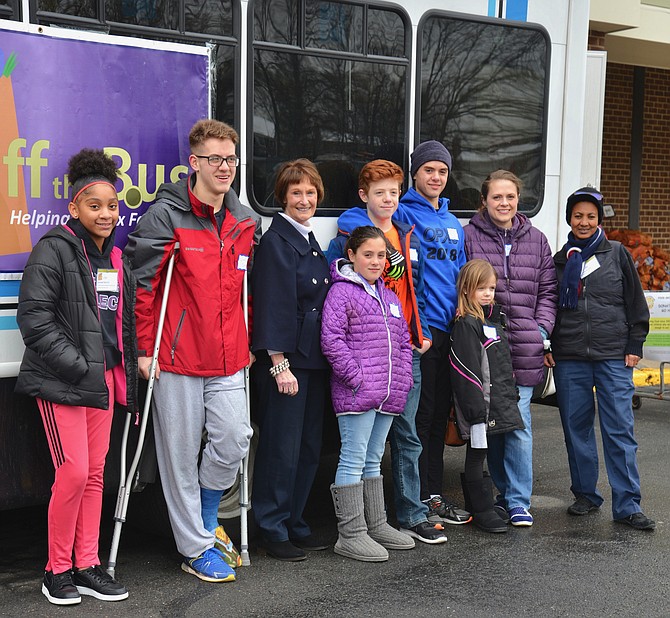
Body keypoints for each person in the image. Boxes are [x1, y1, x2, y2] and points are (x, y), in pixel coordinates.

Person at [124, 119, 262, 582]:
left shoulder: (245, 222)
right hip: (177, 354)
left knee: (235, 437)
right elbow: (144, 289)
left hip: (228, 355)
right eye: (214, 159)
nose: (224, 167)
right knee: (179, 457)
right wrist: (145, 350)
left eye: (230, 159)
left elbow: (247, 287)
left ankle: (206, 516)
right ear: (194, 162)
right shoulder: (166, 217)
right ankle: (194, 546)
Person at [16, 149, 135, 605]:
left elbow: (118, 323)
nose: (106, 214)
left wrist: (122, 369)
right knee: (73, 473)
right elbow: (35, 320)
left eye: (112, 205)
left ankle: (88, 564)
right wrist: (81, 366)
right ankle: (56, 570)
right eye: (95, 205)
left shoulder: (115, 257)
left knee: (96, 475)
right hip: (64, 381)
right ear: (74, 208)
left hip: (101, 383)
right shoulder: (54, 248)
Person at [325, 160, 447, 544]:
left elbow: (415, 292)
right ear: (364, 197)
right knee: (357, 451)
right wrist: (357, 376)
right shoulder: (349, 241)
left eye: (394, 192)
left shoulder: (407, 235)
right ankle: (354, 532)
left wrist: (421, 333)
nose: (389, 199)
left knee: (395, 442)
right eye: (380, 193)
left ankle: (392, 519)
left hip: (400, 358)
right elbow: (334, 322)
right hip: (365, 368)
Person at [547, 187, 655, 530]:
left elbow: (636, 303)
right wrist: (549, 346)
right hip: (570, 357)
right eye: (578, 216)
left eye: (590, 216)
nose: (584, 222)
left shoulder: (617, 253)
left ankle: (628, 505)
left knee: (619, 431)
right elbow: (549, 308)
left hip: (613, 356)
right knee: (575, 429)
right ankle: (585, 495)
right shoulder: (560, 260)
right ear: (569, 219)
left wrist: (634, 344)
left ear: (599, 220)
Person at [463, 170, 557, 527]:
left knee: (518, 423)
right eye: (497, 197)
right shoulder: (470, 236)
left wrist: (541, 328)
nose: (504, 203)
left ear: (518, 200)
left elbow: (548, 291)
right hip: (487, 347)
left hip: (525, 347)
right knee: (495, 423)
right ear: (484, 201)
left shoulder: (537, 239)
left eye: (510, 197)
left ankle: (518, 501)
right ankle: (503, 493)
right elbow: (464, 286)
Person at [251, 159, 331, 562]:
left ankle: (295, 521)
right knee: (281, 449)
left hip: (314, 359)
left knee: (308, 447)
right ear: (283, 196)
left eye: (310, 192)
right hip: (289, 362)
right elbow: (273, 306)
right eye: (296, 192)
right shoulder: (278, 242)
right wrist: (279, 364)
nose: (304, 199)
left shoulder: (307, 237)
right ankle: (271, 526)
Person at [322, 226, 414, 562]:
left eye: (381, 256)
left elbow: (403, 343)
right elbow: (332, 340)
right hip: (358, 394)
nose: (376, 262)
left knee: (373, 459)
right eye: (368, 255)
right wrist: (356, 378)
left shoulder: (388, 296)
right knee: (353, 457)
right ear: (351, 256)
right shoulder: (342, 293)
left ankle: (375, 524)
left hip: (387, 394)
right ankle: (350, 534)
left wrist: (402, 380)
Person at [395, 140, 470, 525]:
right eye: (429, 170)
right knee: (418, 421)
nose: (436, 177)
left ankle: (433, 494)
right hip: (419, 335)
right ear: (416, 172)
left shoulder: (453, 221)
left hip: (448, 330)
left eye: (442, 171)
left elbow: (462, 273)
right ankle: (417, 499)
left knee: (439, 417)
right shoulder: (403, 214)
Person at [449, 260, 524, 533]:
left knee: (482, 452)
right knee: (476, 454)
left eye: (491, 288)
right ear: (466, 290)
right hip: (478, 407)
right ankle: (481, 511)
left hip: (495, 404)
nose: (487, 293)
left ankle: (481, 505)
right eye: (481, 288)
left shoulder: (489, 321)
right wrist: (476, 410)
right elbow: (466, 371)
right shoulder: (466, 324)